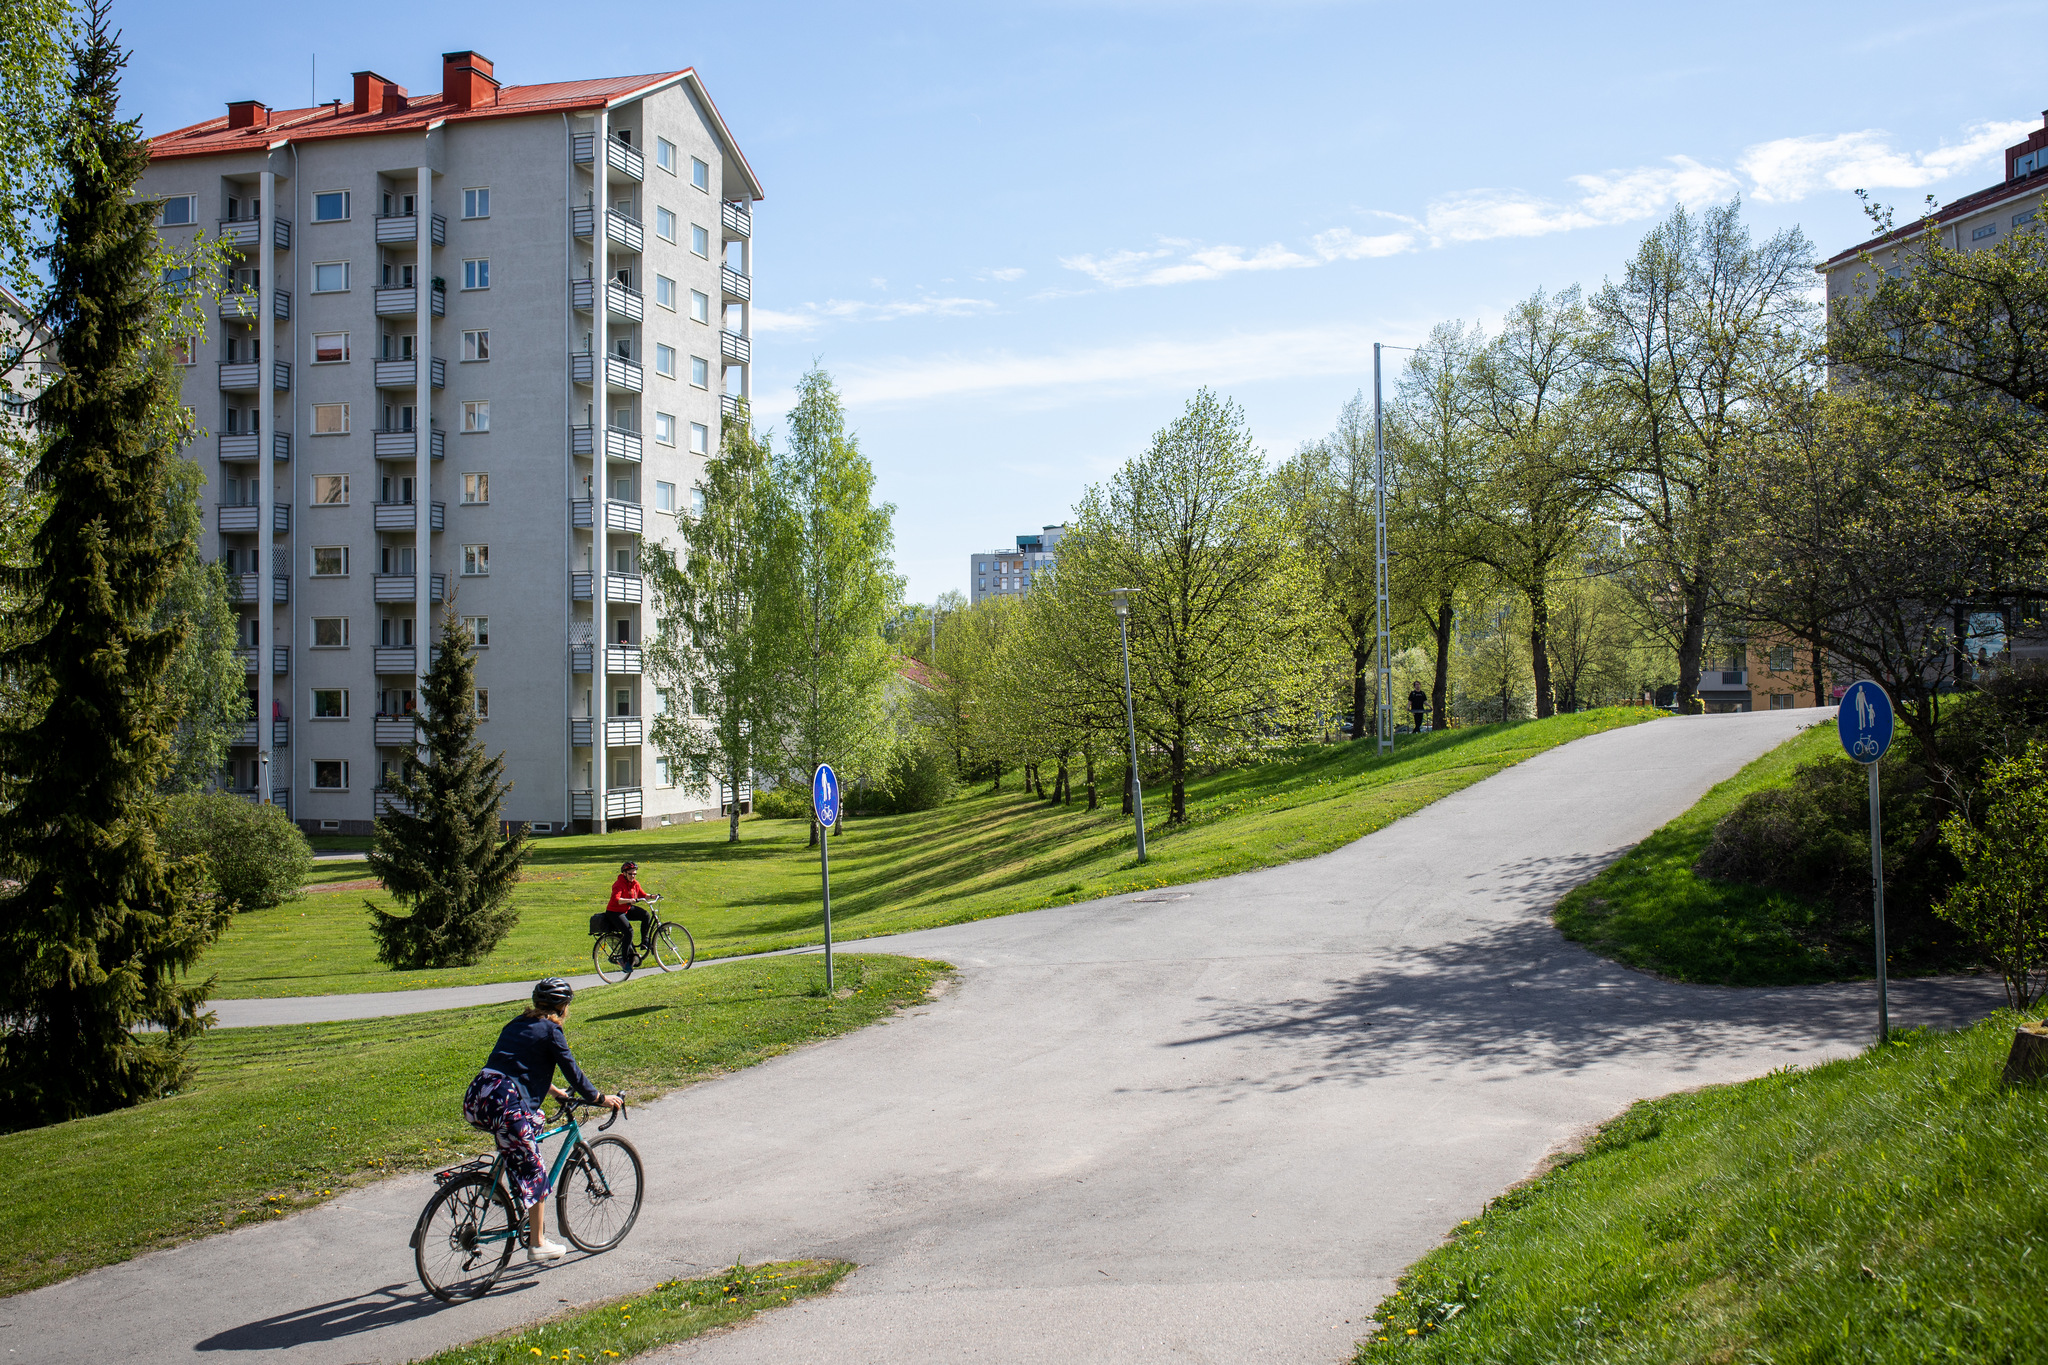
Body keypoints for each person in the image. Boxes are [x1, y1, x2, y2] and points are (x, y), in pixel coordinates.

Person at [462, 978, 623, 1262]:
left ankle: (493, 1187)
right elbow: (574, 1073)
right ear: (562, 1007)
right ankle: (537, 1243)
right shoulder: (552, 1031)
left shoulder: (516, 1023)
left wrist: (555, 1092)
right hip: (506, 1104)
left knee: (531, 1122)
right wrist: (600, 1098)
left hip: (479, 1096)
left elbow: (514, 1065)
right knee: (536, 1169)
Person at [602, 860, 656, 951]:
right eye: (630, 874)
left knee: (646, 915)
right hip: (615, 912)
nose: (633, 876)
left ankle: (645, 942)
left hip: (626, 909)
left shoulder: (635, 883)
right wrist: (629, 900)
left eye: (634, 874)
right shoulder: (618, 884)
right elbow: (617, 900)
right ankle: (626, 960)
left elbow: (642, 895)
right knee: (629, 932)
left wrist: (652, 896)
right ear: (624, 873)